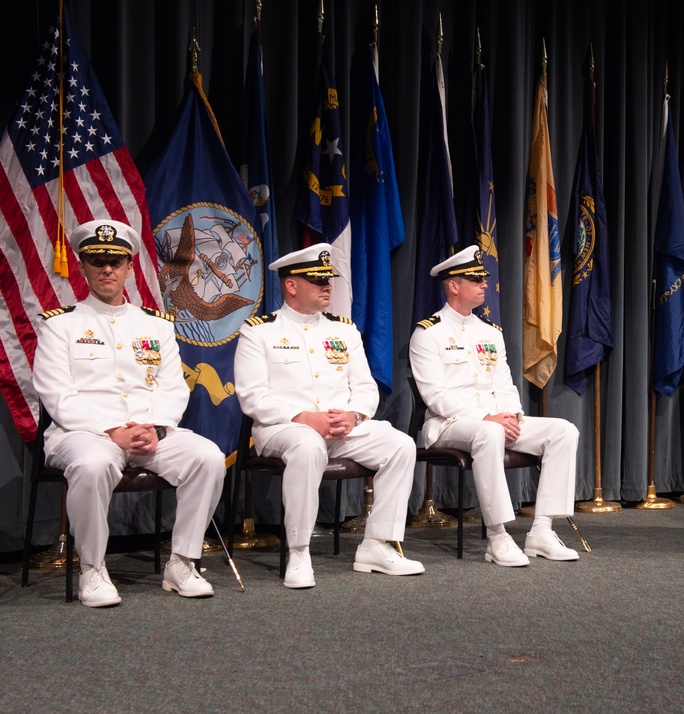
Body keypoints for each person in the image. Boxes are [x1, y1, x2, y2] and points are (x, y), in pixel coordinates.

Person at [32, 219, 225, 607]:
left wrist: (155, 427)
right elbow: (56, 394)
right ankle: (92, 569)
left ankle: (182, 562)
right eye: (98, 260)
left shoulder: (155, 324)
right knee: (92, 464)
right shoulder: (60, 326)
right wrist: (110, 430)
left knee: (208, 457)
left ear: (128, 267)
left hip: (148, 432)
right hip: (82, 433)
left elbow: (173, 387)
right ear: (83, 266)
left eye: (116, 262)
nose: (107, 269)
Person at [234, 244, 423, 588]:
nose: (328, 286)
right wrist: (304, 417)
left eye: (329, 279)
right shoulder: (259, 331)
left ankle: (376, 544)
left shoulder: (344, 330)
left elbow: (365, 387)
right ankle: (299, 551)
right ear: (291, 285)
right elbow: (252, 396)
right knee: (307, 445)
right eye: (317, 280)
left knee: (400, 444)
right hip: (283, 430)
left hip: (340, 430)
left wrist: (354, 415)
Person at [409, 245, 580, 567]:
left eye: (483, 278)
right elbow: (436, 396)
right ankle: (498, 536)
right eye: (474, 279)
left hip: (496, 419)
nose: (484, 284)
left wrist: (512, 415)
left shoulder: (491, 333)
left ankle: (542, 530)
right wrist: (488, 417)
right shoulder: (428, 333)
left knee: (563, 430)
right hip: (449, 424)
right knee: (488, 431)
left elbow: (505, 383)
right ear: (453, 286)